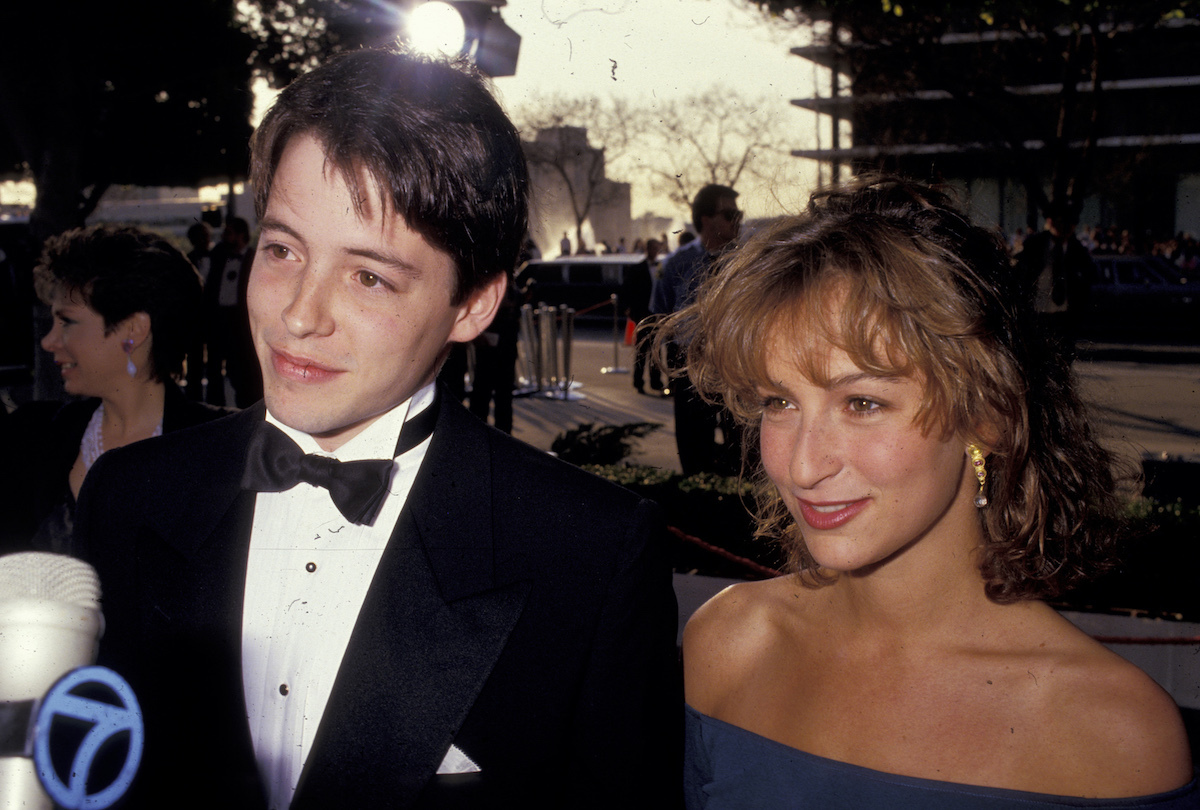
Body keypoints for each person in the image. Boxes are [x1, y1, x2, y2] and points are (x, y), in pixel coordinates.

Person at [75, 48, 680, 810]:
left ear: (473, 306)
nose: (298, 314)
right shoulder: (128, 498)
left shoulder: (589, 553)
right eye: (283, 249)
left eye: (368, 277)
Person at [666, 176, 1196, 808]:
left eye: (862, 402)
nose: (802, 466)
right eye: (779, 402)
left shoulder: (1113, 732)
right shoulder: (727, 643)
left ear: (990, 415)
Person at [0, 225, 227, 555]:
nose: (49, 341)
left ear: (133, 330)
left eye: (67, 322)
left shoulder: (223, 452)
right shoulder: (29, 434)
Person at [651, 184, 743, 476]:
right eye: (729, 214)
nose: (736, 221)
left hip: (737, 363)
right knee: (693, 448)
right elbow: (660, 312)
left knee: (741, 445)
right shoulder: (678, 263)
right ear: (705, 219)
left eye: (738, 214)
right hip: (690, 363)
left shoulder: (749, 262)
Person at [202, 215, 259, 406]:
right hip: (219, 319)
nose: (225, 236)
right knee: (214, 368)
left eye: (229, 232)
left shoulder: (253, 258)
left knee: (241, 369)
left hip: (240, 321)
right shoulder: (219, 255)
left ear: (241, 235)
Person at [623, 237, 664, 394]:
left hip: (657, 314)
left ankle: (656, 382)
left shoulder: (661, 267)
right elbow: (627, 290)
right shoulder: (637, 268)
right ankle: (638, 382)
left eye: (658, 248)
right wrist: (631, 311)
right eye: (653, 248)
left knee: (656, 351)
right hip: (643, 314)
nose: (656, 251)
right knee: (642, 350)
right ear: (647, 249)